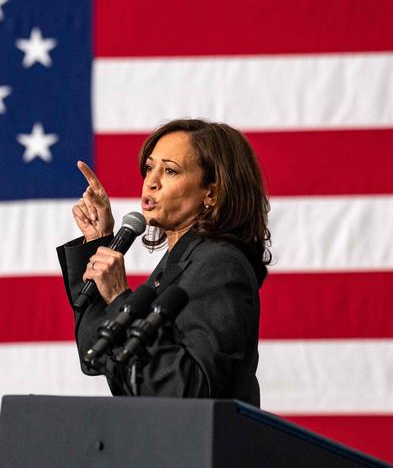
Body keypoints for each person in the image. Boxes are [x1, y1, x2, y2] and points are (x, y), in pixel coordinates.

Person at [56, 119, 271, 407]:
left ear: (212, 193)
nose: (151, 181)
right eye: (149, 167)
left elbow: (189, 389)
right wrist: (99, 242)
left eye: (170, 170)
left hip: (200, 449)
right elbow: (95, 353)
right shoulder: (177, 262)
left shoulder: (219, 265)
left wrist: (121, 297)